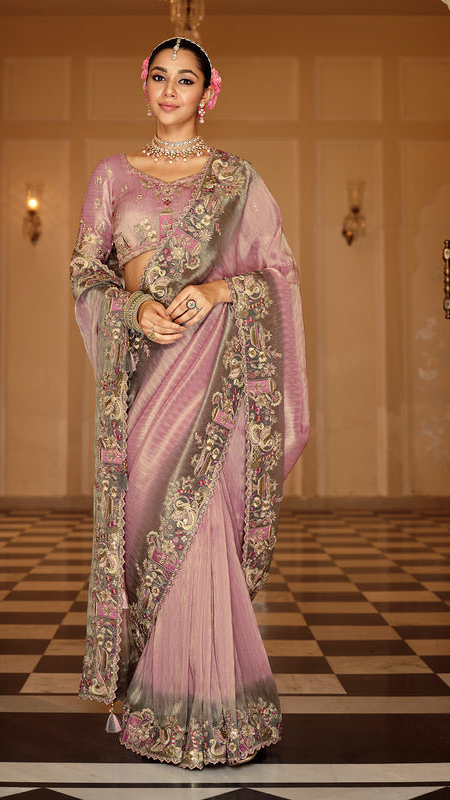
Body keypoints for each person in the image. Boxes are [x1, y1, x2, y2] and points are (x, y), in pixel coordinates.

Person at [70, 36, 309, 770]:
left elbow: (279, 276)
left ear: (209, 93)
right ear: (144, 86)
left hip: (219, 382)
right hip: (146, 380)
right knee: (151, 523)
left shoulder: (238, 180)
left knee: (201, 527)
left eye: (187, 80)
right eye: (160, 78)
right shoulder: (112, 175)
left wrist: (216, 290)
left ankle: (207, 707)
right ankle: (159, 687)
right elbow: (85, 274)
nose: (171, 90)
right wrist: (135, 310)